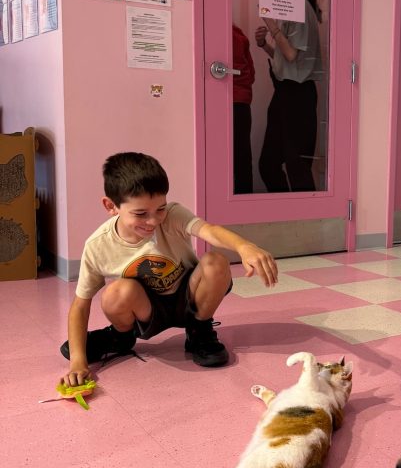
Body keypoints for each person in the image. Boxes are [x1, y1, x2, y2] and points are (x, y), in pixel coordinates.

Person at [59, 152, 278, 386]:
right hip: (148, 311)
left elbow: (209, 230)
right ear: (111, 206)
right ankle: (121, 337)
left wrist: (244, 246)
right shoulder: (98, 245)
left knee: (216, 262)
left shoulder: (173, 215)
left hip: (188, 299)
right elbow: (80, 305)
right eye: (141, 213)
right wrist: (78, 361)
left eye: (160, 209)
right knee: (114, 293)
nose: (153, 221)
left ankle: (199, 331)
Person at [254, 0, 320, 192]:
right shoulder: (289, 7)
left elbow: (292, 56)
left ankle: (307, 221)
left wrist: (270, 23)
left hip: (298, 95)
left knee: (295, 165)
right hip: (285, 92)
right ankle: (286, 216)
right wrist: (265, 46)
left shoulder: (299, 6)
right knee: (269, 164)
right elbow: (287, 57)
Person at [232, 23, 256, 193]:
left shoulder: (215, 32)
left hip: (223, 102)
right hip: (242, 102)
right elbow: (251, 73)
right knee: (242, 157)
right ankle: (244, 198)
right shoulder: (239, 34)